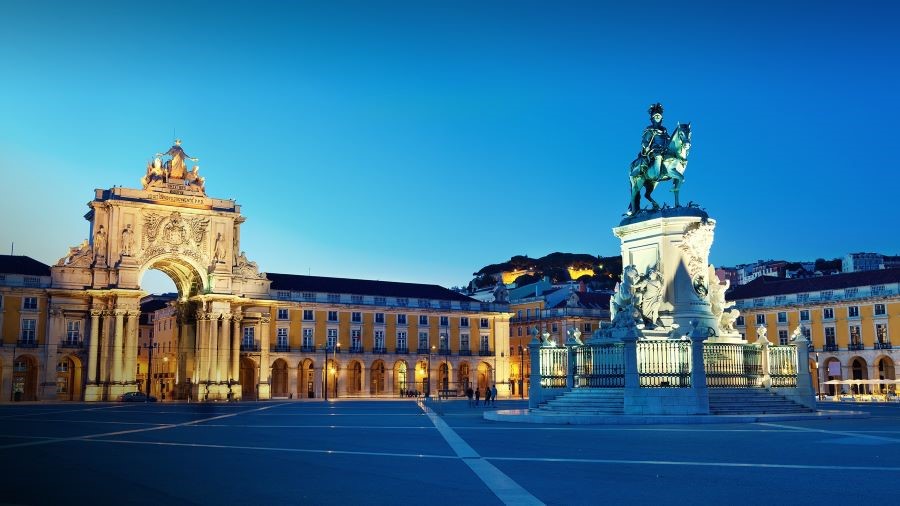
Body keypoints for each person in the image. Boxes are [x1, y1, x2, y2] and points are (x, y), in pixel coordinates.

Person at [634, 103, 670, 181]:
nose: (658, 117)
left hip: (664, 150)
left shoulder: (664, 129)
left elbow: (668, 139)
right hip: (653, 150)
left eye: (659, 116)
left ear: (661, 118)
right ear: (652, 118)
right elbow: (645, 141)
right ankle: (657, 176)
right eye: (656, 116)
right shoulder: (649, 129)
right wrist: (646, 147)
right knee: (658, 157)